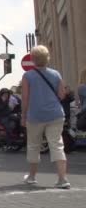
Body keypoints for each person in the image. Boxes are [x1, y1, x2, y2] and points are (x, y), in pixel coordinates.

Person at [21, 45, 70, 189]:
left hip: (35, 116)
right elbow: (62, 95)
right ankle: (62, 179)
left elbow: (25, 98)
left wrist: (23, 116)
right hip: (55, 114)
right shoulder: (56, 74)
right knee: (57, 145)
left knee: (34, 145)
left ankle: (32, 177)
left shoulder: (28, 76)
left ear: (33, 59)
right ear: (47, 58)